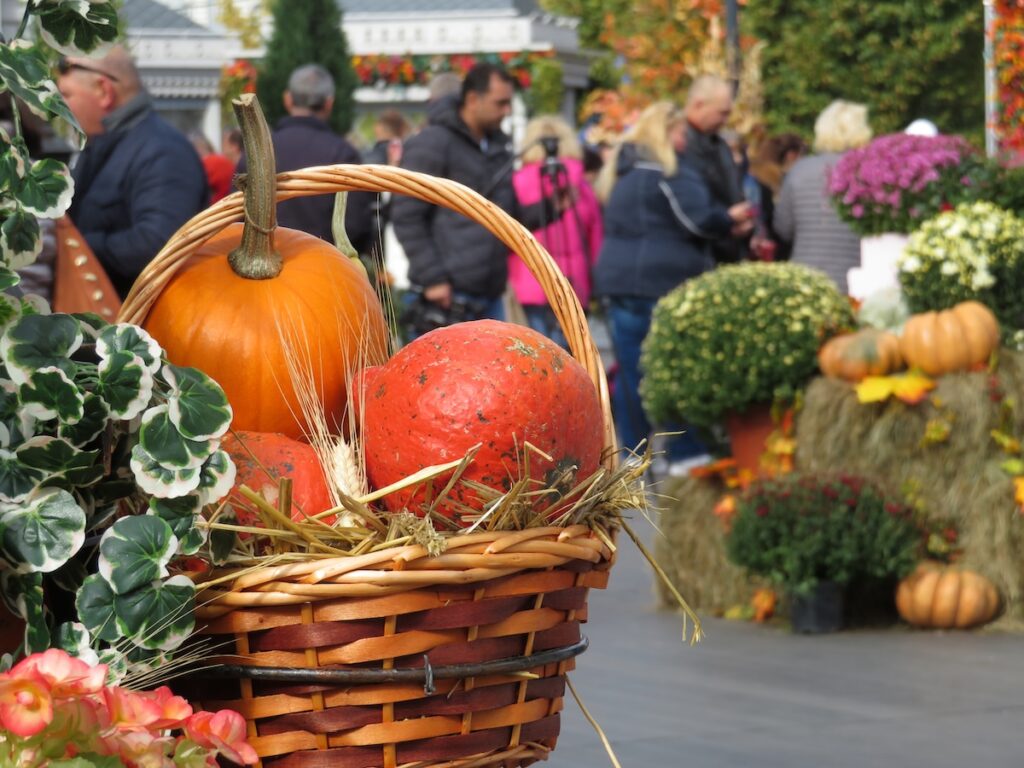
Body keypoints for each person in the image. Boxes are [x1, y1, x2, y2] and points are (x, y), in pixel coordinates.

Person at [593, 101, 752, 466]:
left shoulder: (621, 173)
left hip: (619, 282)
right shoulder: (670, 173)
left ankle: (632, 452)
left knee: (632, 372)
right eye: (681, 132)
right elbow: (697, 221)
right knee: (674, 366)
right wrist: (729, 221)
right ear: (667, 134)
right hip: (663, 280)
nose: (685, 139)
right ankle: (684, 452)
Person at [391, 63, 560, 330]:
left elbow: (505, 217)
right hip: (446, 298)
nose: (506, 111)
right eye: (500, 103)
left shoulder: (497, 146)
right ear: (472, 99)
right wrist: (433, 278)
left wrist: (551, 207)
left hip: (490, 295)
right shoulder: (433, 143)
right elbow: (406, 214)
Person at [57, 45, 208, 298]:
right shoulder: (100, 145)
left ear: (104, 91)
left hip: (146, 326)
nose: (60, 107)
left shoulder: (163, 150)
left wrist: (76, 247)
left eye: (66, 95)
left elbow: (159, 243)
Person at [237, 64, 372, 251]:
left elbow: (235, 214)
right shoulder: (342, 153)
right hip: (326, 267)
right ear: (329, 103)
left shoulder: (256, 152)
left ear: (287, 99)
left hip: (263, 267)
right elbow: (356, 223)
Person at [508, 115, 603, 348]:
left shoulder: (517, 182)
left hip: (530, 279)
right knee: (569, 355)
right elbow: (596, 236)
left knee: (534, 353)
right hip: (574, 281)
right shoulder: (580, 185)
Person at [773, 100, 872, 293]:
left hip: (803, 280)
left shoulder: (799, 171)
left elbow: (783, 228)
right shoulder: (870, 172)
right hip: (853, 281)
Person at [683, 74, 748, 263]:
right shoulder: (683, 145)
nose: (726, 120)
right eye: (722, 113)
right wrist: (726, 221)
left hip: (725, 246)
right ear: (698, 105)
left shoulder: (718, 144)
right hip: (700, 250)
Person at [748, 132, 807, 261]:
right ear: (791, 155)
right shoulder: (780, 181)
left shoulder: (752, 171)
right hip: (773, 251)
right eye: (803, 156)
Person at [189, 131, 235, 203]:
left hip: (219, 207)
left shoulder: (206, 164)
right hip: (231, 202)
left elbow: (197, 189)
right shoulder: (222, 160)